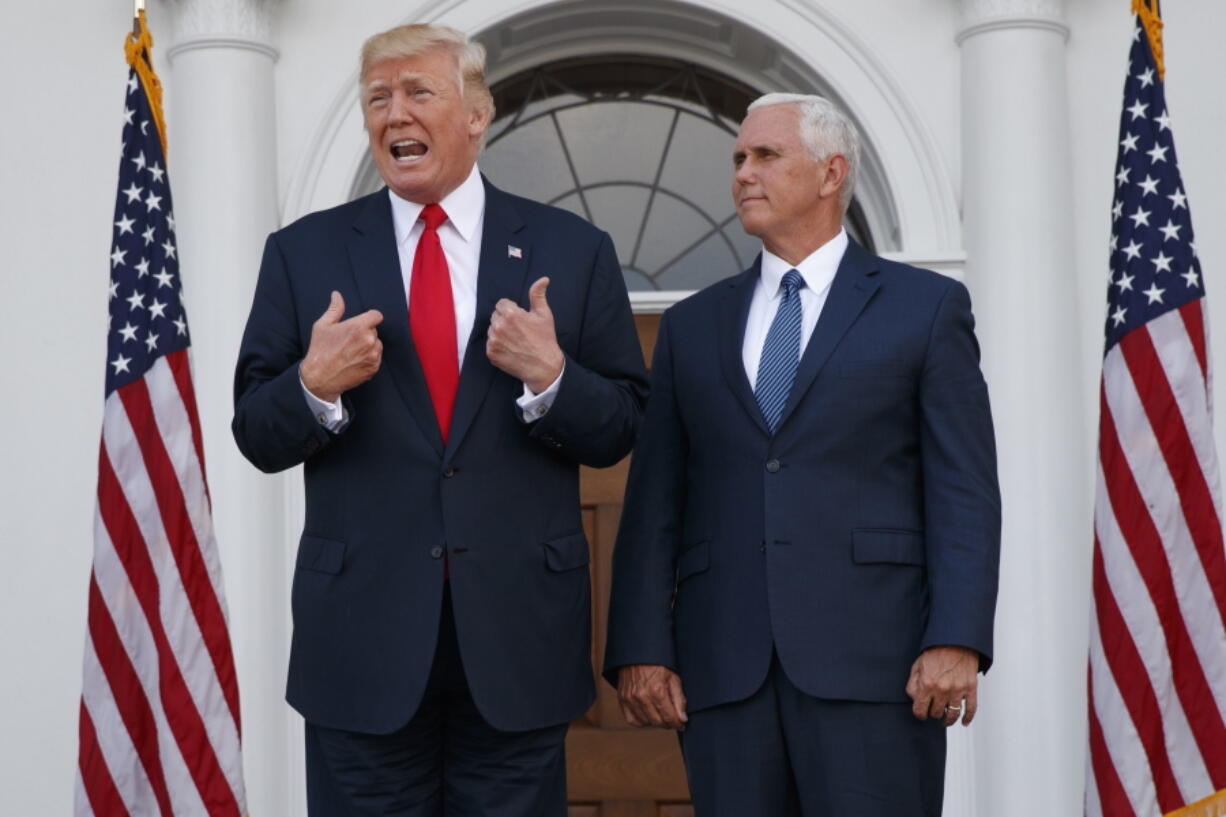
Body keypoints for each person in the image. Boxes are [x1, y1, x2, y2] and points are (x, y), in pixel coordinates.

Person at [232, 24, 647, 817]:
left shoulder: (572, 248)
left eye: (418, 92)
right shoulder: (304, 253)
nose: (395, 116)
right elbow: (256, 430)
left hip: (517, 638)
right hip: (360, 641)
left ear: (477, 113)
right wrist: (313, 385)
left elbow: (623, 425)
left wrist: (552, 377)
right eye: (378, 99)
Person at [603, 93, 1000, 816]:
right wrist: (640, 644)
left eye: (765, 156)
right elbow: (656, 497)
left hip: (879, 668)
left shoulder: (926, 308)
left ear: (830, 174)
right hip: (724, 669)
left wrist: (956, 637)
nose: (743, 174)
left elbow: (963, 488)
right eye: (737, 159)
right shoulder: (693, 326)